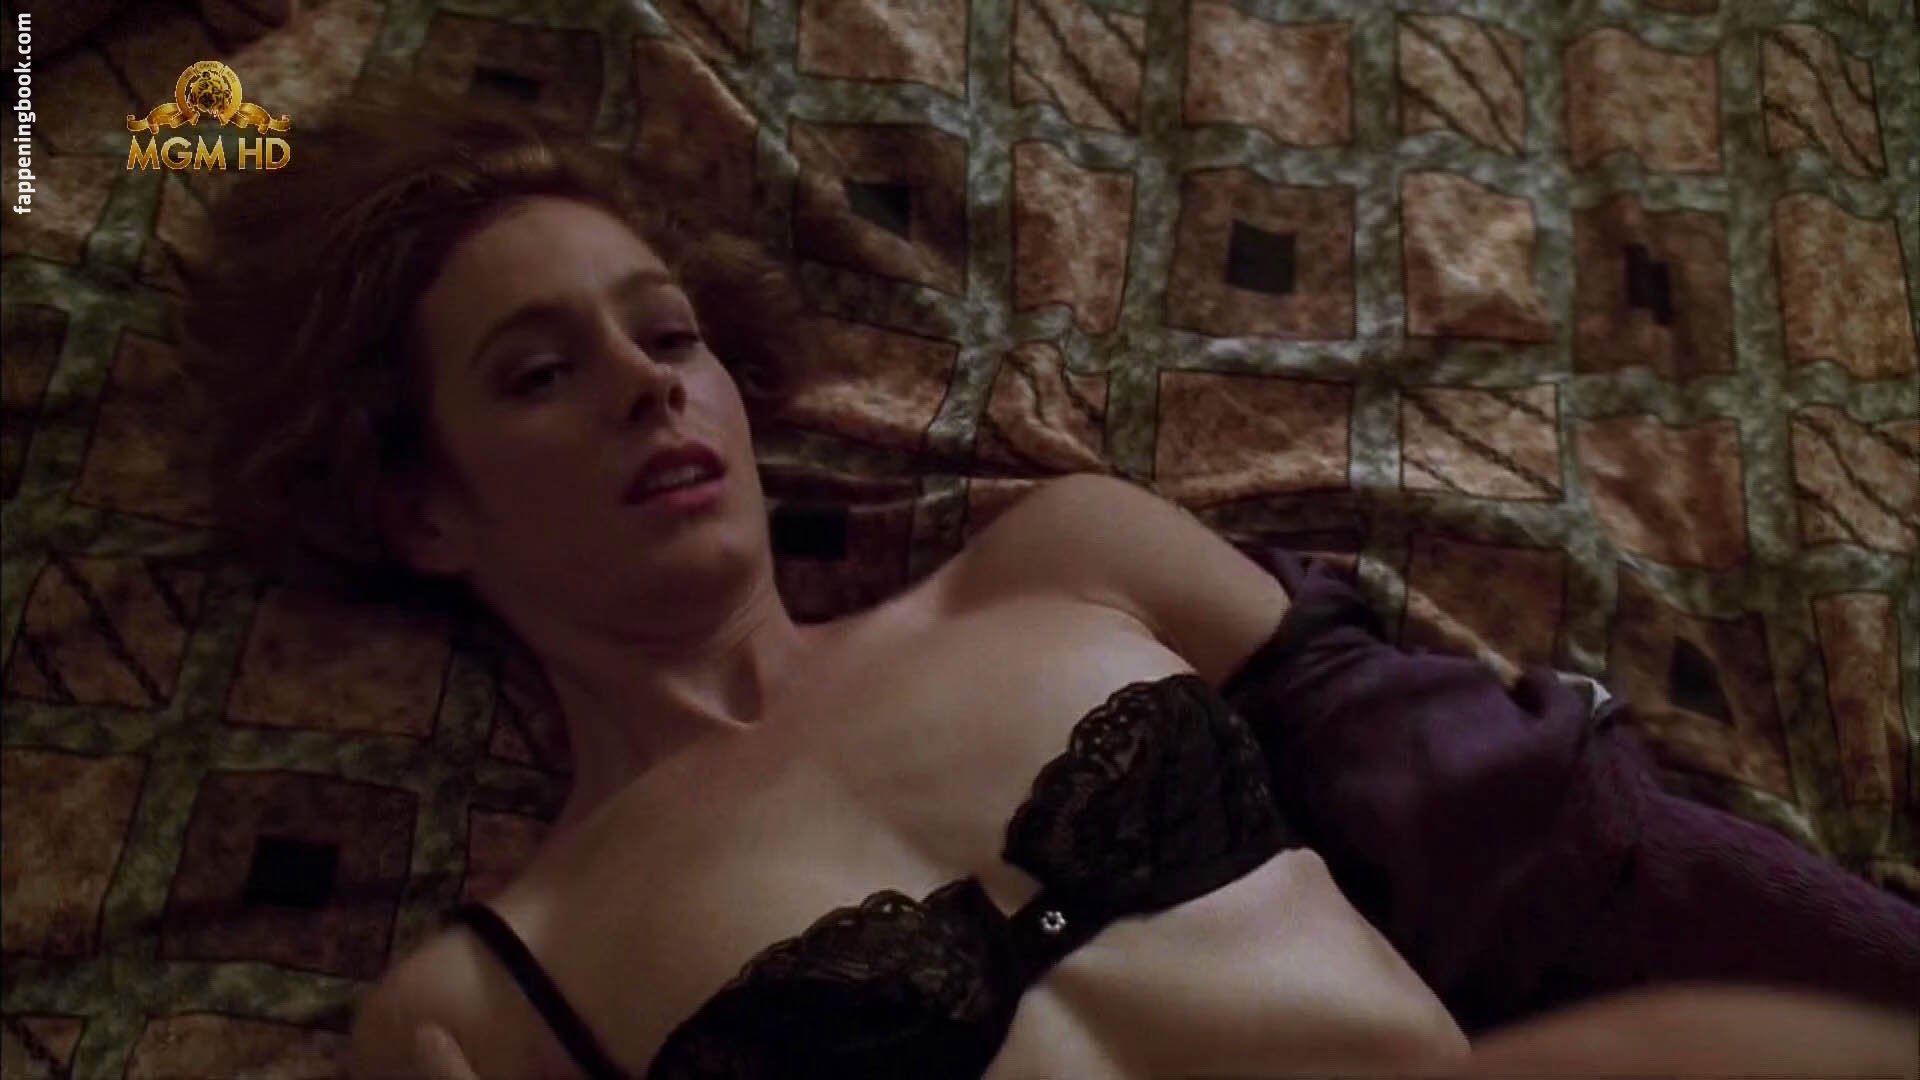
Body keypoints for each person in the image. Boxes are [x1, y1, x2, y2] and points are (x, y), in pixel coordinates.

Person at [174, 83, 1920, 1080]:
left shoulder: (1060, 566)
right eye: (542, 373)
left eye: (672, 335)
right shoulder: (480, 1006)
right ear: (419, 508)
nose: (650, 386)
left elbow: (1542, 838)